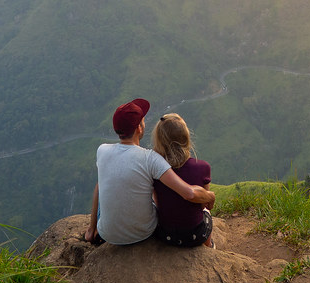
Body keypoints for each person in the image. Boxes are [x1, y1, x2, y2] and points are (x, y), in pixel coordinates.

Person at [84, 98, 214, 246]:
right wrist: (209, 195)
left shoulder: (102, 150)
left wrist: (92, 228)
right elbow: (188, 193)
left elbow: (100, 187)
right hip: (143, 233)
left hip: (108, 234)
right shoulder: (151, 158)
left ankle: (91, 231)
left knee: (102, 184)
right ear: (139, 128)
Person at [151, 113, 214, 248]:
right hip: (195, 236)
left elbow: (157, 202)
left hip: (165, 235)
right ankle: (208, 245)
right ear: (186, 138)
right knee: (207, 213)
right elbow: (203, 205)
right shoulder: (202, 167)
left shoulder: (155, 170)